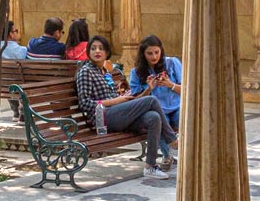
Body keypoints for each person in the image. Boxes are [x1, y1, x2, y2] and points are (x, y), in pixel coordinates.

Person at [74, 34, 174, 178]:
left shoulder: (105, 72)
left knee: (153, 117)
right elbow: (85, 103)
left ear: (107, 52)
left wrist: (142, 91)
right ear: (88, 52)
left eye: (101, 48)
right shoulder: (86, 72)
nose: (97, 51)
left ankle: (150, 166)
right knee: (151, 100)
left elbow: (119, 99)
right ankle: (172, 139)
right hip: (103, 118)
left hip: (117, 115)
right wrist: (118, 101)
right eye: (93, 48)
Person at [129, 34, 183, 141]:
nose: (154, 57)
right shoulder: (136, 72)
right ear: (143, 54)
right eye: (149, 53)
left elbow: (186, 91)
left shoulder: (172, 63)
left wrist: (170, 85)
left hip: (177, 107)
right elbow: (135, 101)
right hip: (159, 110)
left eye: (157, 52)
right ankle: (168, 155)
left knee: (184, 118)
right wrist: (149, 89)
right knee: (158, 121)